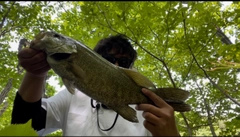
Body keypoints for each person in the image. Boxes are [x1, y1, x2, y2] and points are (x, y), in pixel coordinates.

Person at [11, 34, 180, 136]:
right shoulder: (73, 96)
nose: (115, 65)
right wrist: (35, 74)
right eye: (108, 59)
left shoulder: (149, 114)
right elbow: (26, 126)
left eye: (124, 62)